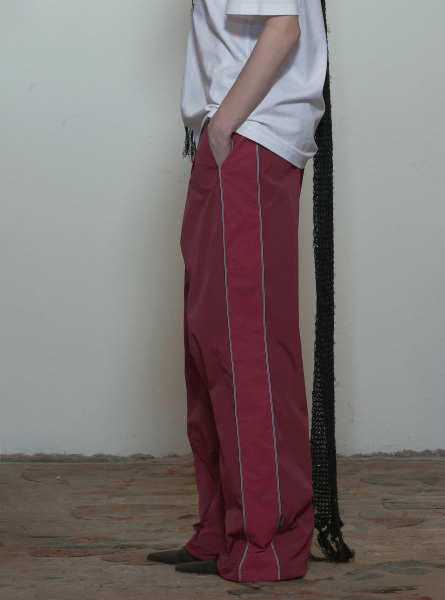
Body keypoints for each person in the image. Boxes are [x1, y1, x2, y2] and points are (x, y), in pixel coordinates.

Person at [148, 0, 328, 583]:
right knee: (211, 341)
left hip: (249, 136)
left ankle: (266, 542)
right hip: (231, 135)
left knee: (246, 348)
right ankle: (222, 530)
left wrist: (225, 125)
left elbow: (283, 26)